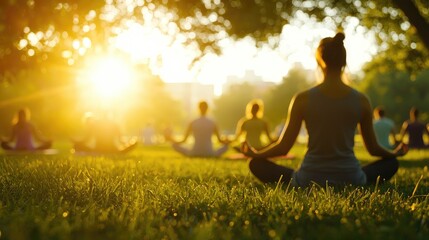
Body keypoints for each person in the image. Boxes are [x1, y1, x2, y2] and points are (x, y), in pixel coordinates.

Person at [242, 32, 407, 187]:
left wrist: (256, 154)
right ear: (344, 62)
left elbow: (284, 147)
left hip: (308, 178)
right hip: (352, 178)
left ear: (319, 61)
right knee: (391, 164)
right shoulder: (362, 100)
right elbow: (373, 149)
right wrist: (395, 153)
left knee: (256, 164)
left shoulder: (302, 99)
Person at [165, 101, 229, 157]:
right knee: (226, 146)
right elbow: (220, 141)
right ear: (208, 109)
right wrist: (227, 142)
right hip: (210, 153)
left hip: (194, 152)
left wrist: (172, 140)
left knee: (174, 145)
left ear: (198, 108)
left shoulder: (193, 122)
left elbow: (184, 140)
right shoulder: (212, 122)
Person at [72, 111, 137, 154]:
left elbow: (86, 140)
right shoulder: (114, 124)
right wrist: (130, 143)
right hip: (112, 150)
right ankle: (122, 151)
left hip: (98, 150)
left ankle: (121, 151)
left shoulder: (95, 124)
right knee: (121, 151)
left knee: (76, 146)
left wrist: (76, 142)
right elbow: (121, 141)